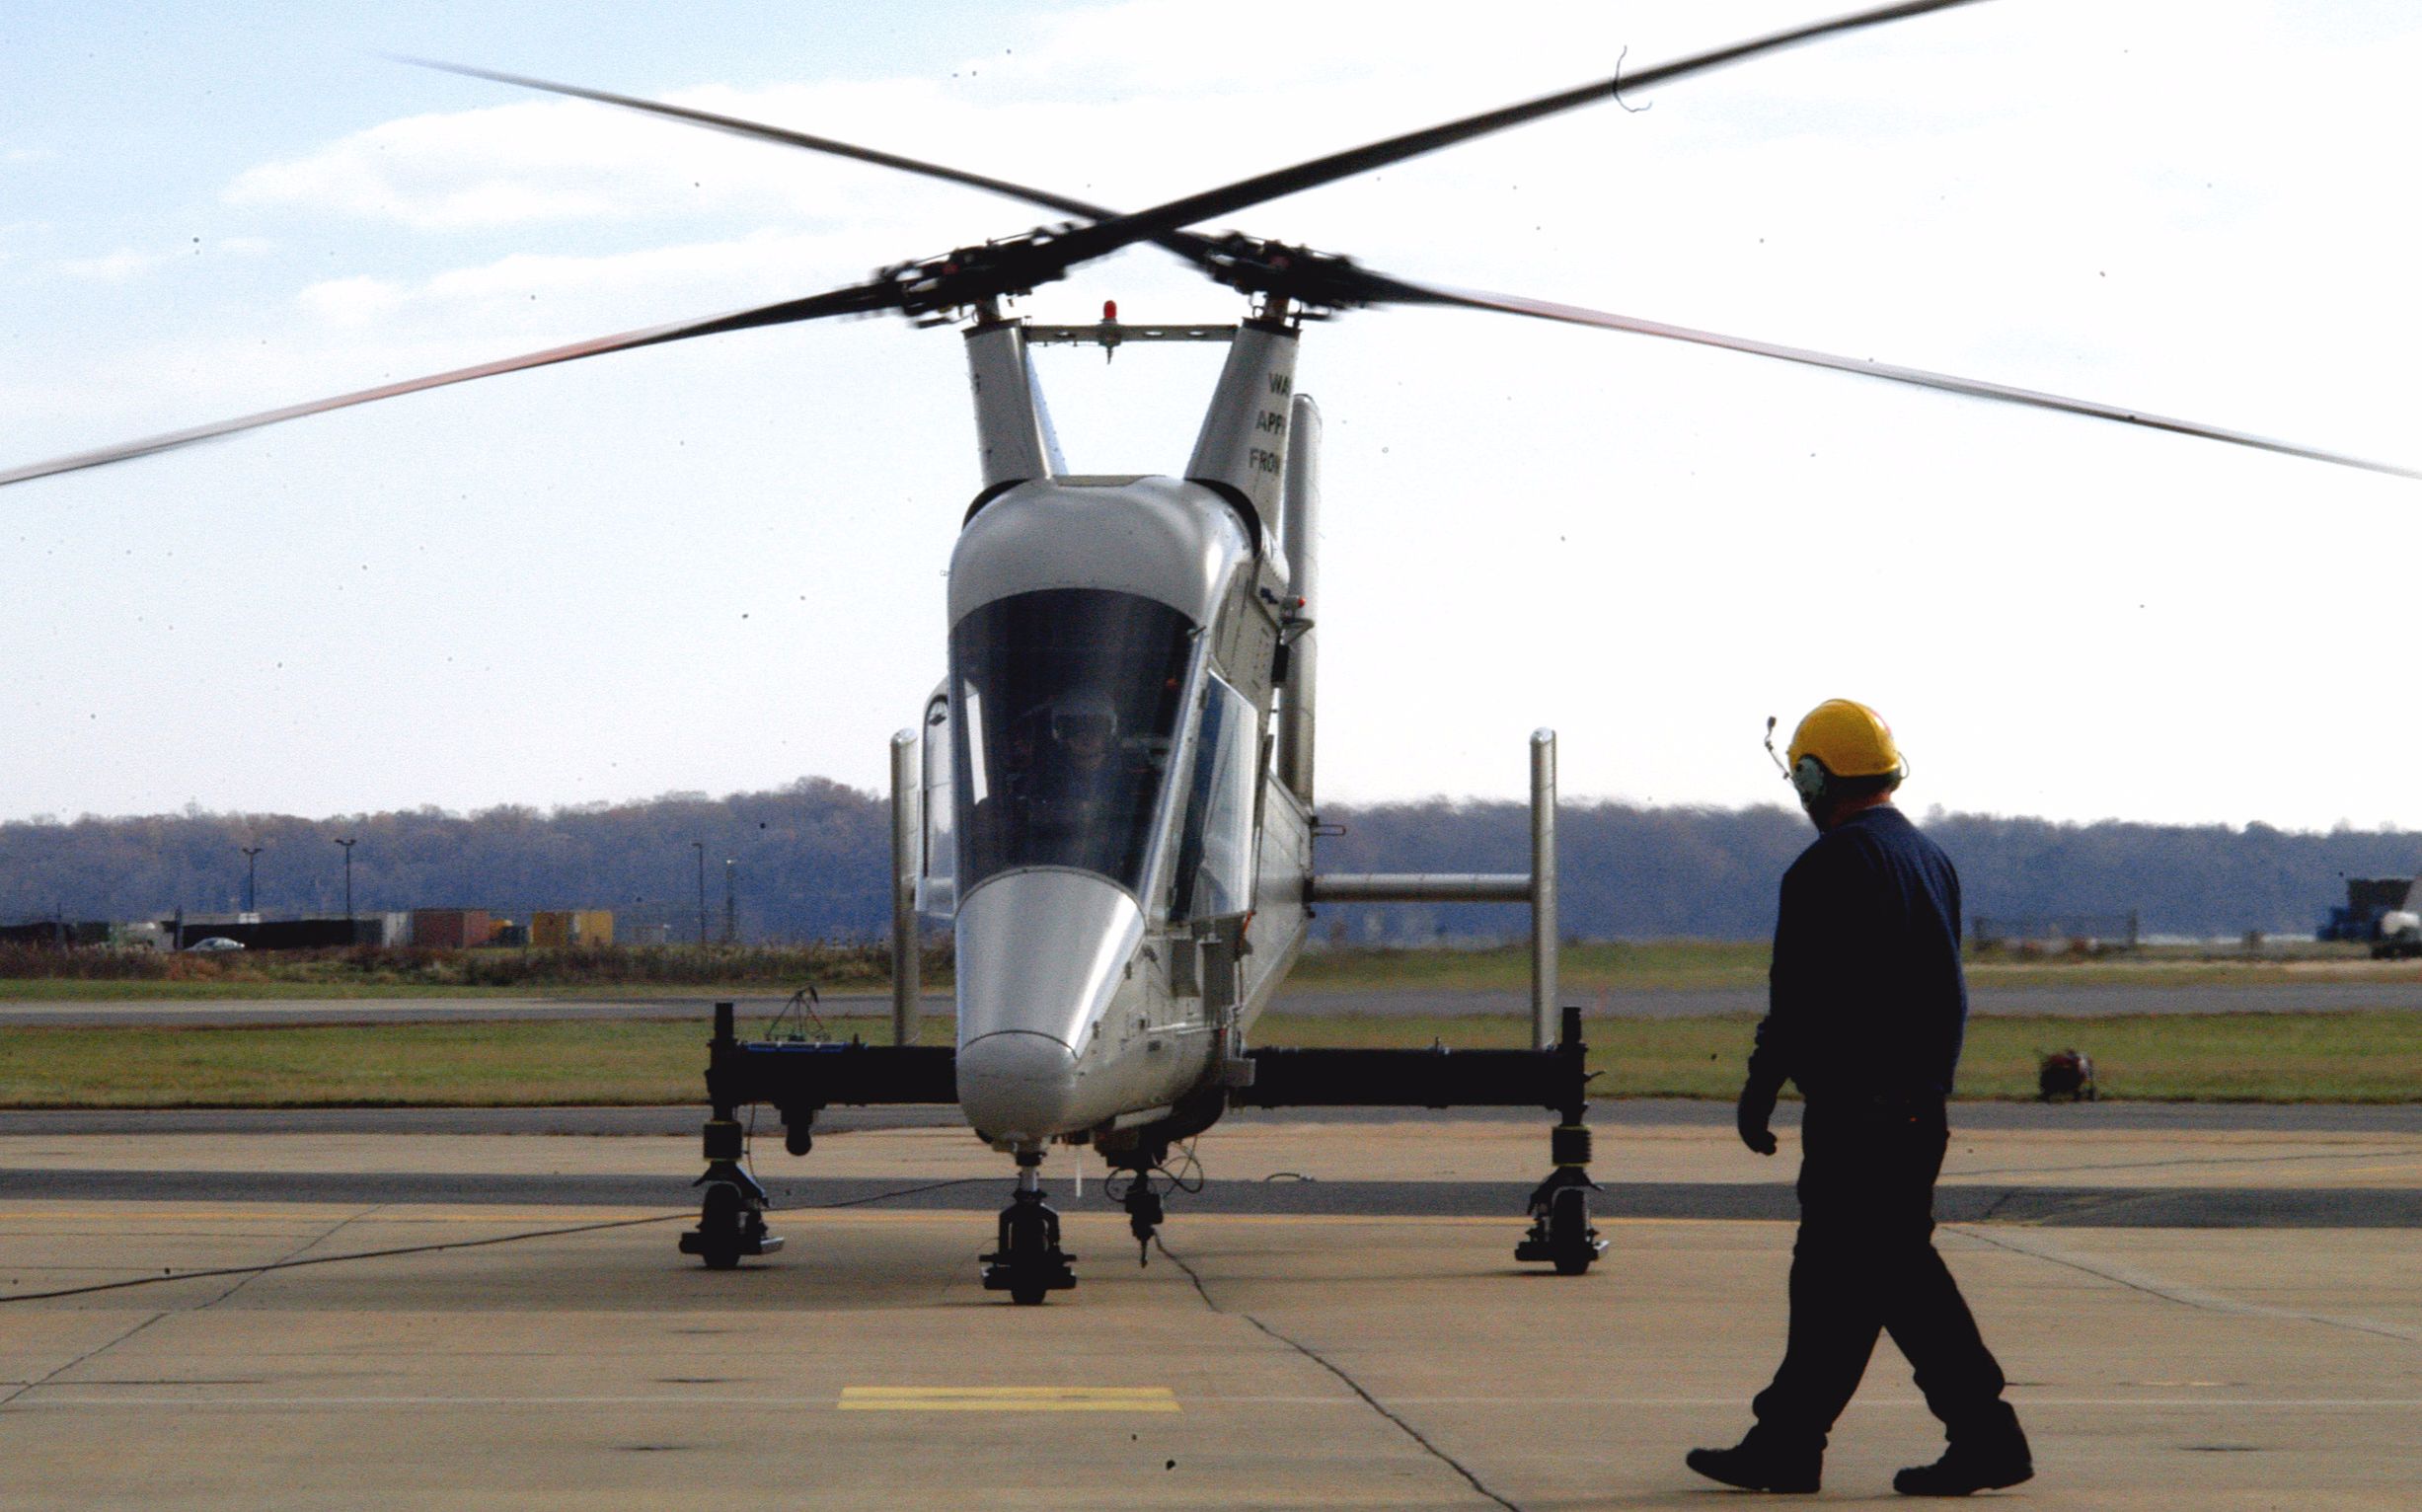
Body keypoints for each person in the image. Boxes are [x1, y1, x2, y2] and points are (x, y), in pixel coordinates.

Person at [1687, 699, 2032, 1498]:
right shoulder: (1927, 855)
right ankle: (1788, 1442)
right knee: (1835, 1279)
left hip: (1863, 1112)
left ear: (1814, 777)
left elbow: (1801, 994)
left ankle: (1987, 1435)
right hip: (1915, 1106)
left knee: (1893, 1277)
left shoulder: (1832, 863)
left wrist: (1761, 1083)